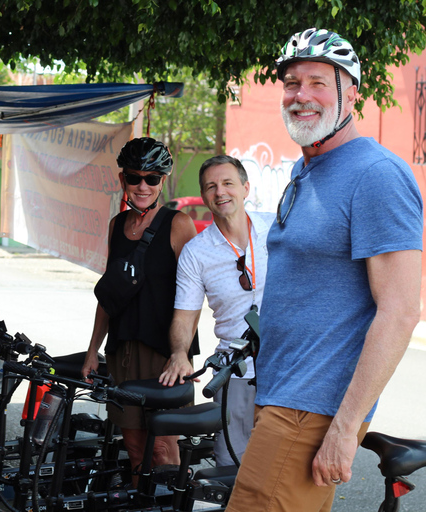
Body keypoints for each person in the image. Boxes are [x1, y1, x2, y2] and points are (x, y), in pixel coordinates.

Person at [226, 28, 423, 512]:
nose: (301, 96)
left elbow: (399, 312)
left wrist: (343, 428)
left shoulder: (375, 175)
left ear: (351, 92)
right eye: (292, 84)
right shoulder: (305, 168)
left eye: (318, 82)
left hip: (313, 410)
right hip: (284, 396)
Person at [81, 137, 197, 480]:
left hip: (164, 355)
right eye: (135, 177)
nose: (143, 185)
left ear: (163, 181)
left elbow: (194, 297)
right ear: (123, 180)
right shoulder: (117, 226)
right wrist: (93, 351)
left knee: (161, 449)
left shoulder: (179, 224)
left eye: (152, 178)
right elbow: (109, 296)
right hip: (122, 350)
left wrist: (182, 352)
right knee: (133, 448)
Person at [159, 155, 274, 466]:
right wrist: (179, 353)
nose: (220, 192)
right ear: (204, 195)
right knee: (233, 468)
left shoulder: (275, 230)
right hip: (235, 372)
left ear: (246, 188)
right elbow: (184, 315)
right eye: (210, 187)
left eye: (227, 183)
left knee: (283, 468)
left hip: (286, 368)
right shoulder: (196, 252)